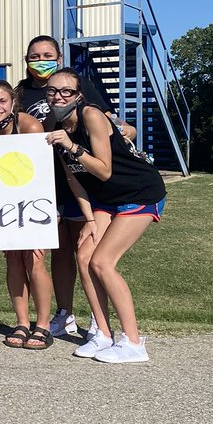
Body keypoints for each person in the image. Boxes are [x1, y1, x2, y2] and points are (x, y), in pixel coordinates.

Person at [16, 35, 136, 339]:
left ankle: (100, 321)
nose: (40, 60)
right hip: (45, 184)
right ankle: (65, 313)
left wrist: (123, 131)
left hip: (84, 181)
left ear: (58, 58)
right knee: (60, 253)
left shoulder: (78, 87)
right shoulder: (19, 93)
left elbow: (111, 124)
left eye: (47, 54)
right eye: (34, 56)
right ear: (26, 60)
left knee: (89, 253)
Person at [45, 69, 165, 363]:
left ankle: (134, 343)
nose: (58, 97)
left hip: (139, 193)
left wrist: (72, 146)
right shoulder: (55, 122)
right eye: (52, 91)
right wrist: (88, 219)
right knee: (84, 257)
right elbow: (75, 179)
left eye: (66, 92)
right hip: (106, 200)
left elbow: (103, 170)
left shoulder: (91, 116)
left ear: (78, 95)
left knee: (103, 262)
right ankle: (103, 334)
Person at [0, 80, 53, 350]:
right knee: (14, 260)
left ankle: (43, 325)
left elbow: (40, 173)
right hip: (1, 206)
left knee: (35, 260)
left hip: (33, 201)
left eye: (2, 101)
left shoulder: (29, 125)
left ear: (13, 103)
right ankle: (21, 322)